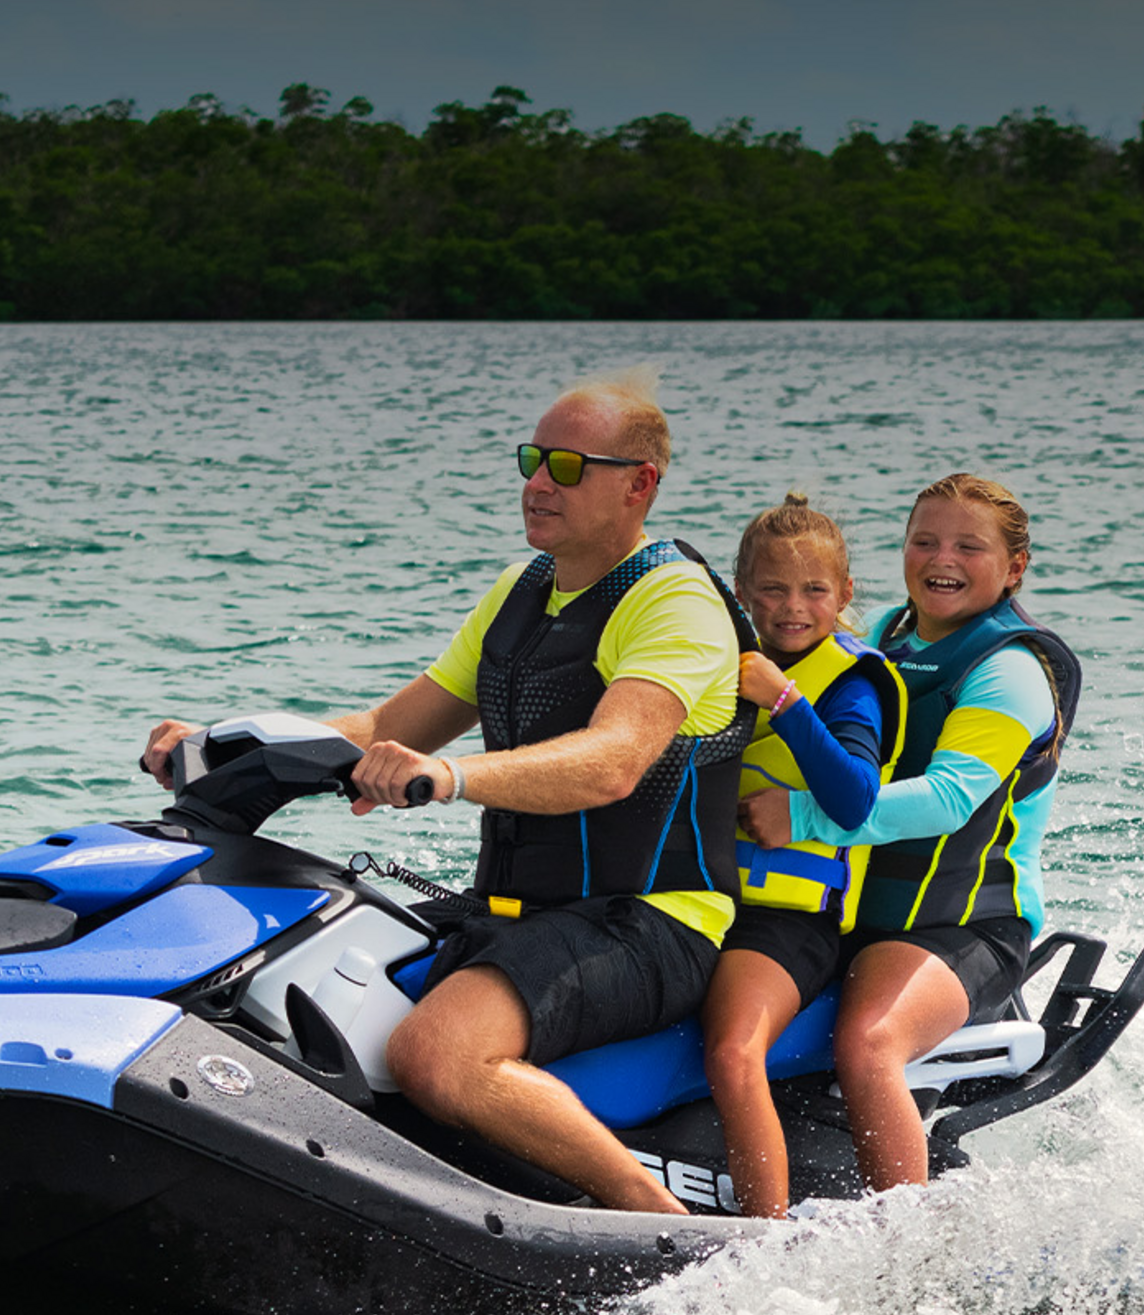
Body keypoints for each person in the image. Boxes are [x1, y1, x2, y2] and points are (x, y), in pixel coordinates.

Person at [141, 373, 743, 1216]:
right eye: (533, 460)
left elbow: (615, 759)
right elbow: (390, 724)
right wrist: (217, 741)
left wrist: (448, 776)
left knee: (436, 1054)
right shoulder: (522, 591)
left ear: (639, 483)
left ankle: (664, 1238)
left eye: (567, 466)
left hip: (649, 920)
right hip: (515, 909)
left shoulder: (675, 600)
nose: (538, 483)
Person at [742, 472, 1080, 1193]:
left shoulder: (1010, 669)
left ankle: (905, 1250)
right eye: (923, 540)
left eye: (967, 545)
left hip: (963, 925)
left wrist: (798, 816)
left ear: (1014, 566)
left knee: (868, 1043)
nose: (940, 558)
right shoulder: (883, 640)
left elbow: (947, 799)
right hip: (845, 907)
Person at [702, 495, 905, 1219]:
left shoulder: (849, 684)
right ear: (744, 593)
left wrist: (783, 700)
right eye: (774, 590)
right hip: (698, 901)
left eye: (815, 590)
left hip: (788, 924)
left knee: (731, 1051)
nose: (794, 607)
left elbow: (854, 801)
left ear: (845, 595)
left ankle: (766, 1239)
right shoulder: (714, 667)